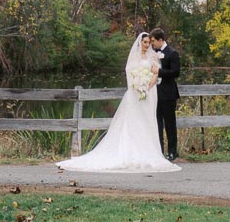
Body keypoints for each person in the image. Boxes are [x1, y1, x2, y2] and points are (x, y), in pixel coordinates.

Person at [56, 33, 180, 173]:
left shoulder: (153, 56)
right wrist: (138, 86)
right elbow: (130, 73)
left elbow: (156, 73)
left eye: (148, 42)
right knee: (135, 122)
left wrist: (148, 87)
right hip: (136, 93)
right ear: (140, 43)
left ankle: (155, 151)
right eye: (145, 42)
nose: (147, 45)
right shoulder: (134, 58)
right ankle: (133, 151)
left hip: (150, 94)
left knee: (149, 122)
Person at [150, 27, 180, 161]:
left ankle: (173, 152)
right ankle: (159, 151)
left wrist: (159, 72)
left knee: (170, 124)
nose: (152, 44)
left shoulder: (172, 53)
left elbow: (176, 72)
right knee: (157, 124)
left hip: (168, 94)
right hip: (156, 94)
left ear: (160, 40)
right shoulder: (153, 53)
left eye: (153, 41)